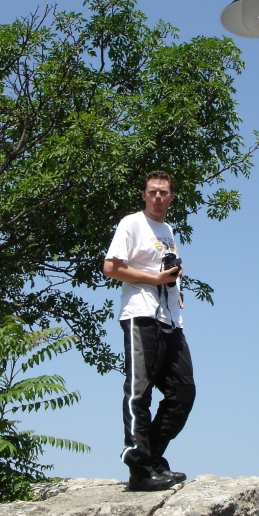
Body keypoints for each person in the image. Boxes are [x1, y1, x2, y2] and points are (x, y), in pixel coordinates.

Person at [103, 171, 196, 492]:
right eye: (153, 191)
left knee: (183, 392)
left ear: (171, 197)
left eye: (164, 192)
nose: (158, 197)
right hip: (141, 315)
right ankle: (140, 468)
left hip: (170, 320)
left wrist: (173, 285)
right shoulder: (131, 223)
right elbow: (111, 268)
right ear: (143, 195)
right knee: (139, 393)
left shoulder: (168, 230)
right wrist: (155, 280)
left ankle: (153, 457)